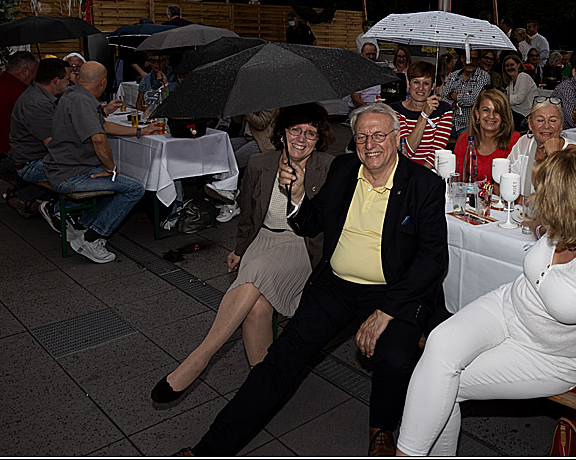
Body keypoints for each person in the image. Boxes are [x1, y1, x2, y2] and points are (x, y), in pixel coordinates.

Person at [183, 103, 448, 457]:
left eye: (379, 135)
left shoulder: (423, 184)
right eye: (362, 136)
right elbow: (311, 223)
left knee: (396, 358)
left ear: (397, 138)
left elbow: (433, 259)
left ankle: (382, 428)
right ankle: (209, 450)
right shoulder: (343, 169)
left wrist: (387, 310)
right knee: (280, 361)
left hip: (393, 291)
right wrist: (295, 197)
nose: (371, 144)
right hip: (335, 286)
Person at [396, 148, 576, 456]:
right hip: (507, 307)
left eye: (544, 193)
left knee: (443, 386)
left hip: (551, 356)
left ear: (568, 204)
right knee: (439, 345)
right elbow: (539, 232)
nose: (537, 198)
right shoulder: (564, 226)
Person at [152, 104, 335, 402]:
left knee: (255, 275)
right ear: (283, 133)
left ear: (319, 138)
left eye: (310, 133)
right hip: (262, 240)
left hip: (299, 245)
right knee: (257, 306)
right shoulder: (261, 163)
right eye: (295, 130)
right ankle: (263, 384)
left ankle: (200, 357)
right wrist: (239, 250)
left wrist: (299, 190)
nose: (301, 138)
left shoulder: (327, 168)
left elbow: (327, 223)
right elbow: (248, 215)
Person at [41, 62, 147, 263]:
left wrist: (140, 131)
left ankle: (81, 226)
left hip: (63, 167)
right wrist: (111, 169)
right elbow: (98, 138)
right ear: (103, 82)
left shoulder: (74, 94)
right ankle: (93, 237)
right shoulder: (82, 102)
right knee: (134, 188)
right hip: (70, 174)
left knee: (119, 183)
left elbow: (103, 126)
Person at [8, 58, 74, 219]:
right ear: (56, 81)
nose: (70, 82)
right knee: (91, 174)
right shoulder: (36, 103)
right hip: (31, 163)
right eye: (67, 79)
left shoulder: (41, 94)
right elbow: (53, 144)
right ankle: (54, 208)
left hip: (36, 156)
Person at [0, 50, 39, 189]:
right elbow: (37, 125)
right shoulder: (16, 91)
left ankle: (23, 193)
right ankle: (31, 197)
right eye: (35, 72)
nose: (36, 76)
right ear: (25, 71)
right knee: (61, 156)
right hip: (3, 157)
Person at [206, 109, 281, 222]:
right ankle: (224, 189)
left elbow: (261, 123)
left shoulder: (269, 100)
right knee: (222, 147)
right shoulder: (249, 98)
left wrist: (247, 110)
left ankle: (230, 200)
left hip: (262, 142)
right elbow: (237, 120)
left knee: (234, 160)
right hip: (247, 137)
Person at [508, 96, 576, 197]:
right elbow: (506, 180)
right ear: (530, 124)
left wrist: (554, 155)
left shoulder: (574, 152)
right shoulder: (524, 143)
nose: (546, 126)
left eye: (553, 120)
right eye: (540, 120)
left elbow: (569, 198)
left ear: (561, 125)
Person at [390, 61, 453, 169]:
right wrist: (424, 116)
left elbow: (437, 152)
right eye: (416, 82)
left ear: (433, 86)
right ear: (408, 82)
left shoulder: (443, 110)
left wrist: (421, 178)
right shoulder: (395, 110)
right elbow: (406, 151)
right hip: (403, 170)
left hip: (429, 172)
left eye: (426, 83)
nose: (421, 88)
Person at [452, 89, 520, 183]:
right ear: (477, 114)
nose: (491, 116)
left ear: (504, 115)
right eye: (486, 110)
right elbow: (457, 179)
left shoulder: (514, 141)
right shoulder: (465, 138)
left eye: (497, 111)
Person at [441, 52, 491, 137]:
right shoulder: (454, 75)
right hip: (450, 123)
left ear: (479, 60)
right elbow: (443, 98)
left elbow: (473, 100)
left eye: (474, 59)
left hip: (469, 125)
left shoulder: (483, 76)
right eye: (467, 58)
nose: (470, 62)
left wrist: (454, 96)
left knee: (466, 146)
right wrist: (454, 103)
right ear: (462, 58)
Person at [501, 51, 537, 130]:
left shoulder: (523, 76)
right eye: (507, 66)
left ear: (518, 65)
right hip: (515, 115)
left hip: (526, 116)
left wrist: (503, 97)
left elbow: (519, 99)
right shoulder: (510, 82)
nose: (509, 68)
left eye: (512, 65)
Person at [349, 42, 384, 109]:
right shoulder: (356, 73)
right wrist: (370, 109)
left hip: (376, 109)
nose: (371, 57)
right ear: (361, 55)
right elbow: (356, 100)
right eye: (368, 54)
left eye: (373, 54)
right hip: (360, 110)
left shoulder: (378, 72)